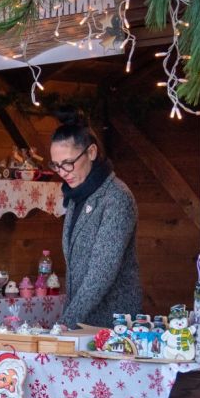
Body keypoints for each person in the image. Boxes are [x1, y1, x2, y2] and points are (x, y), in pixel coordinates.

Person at [48, 108, 142, 328]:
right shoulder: (75, 196)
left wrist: (66, 323)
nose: (63, 172)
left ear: (91, 153)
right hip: (83, 323)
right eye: (56, 165)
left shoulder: (116, 197)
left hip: (113, 325)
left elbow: (101, 272)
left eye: (68, 163)